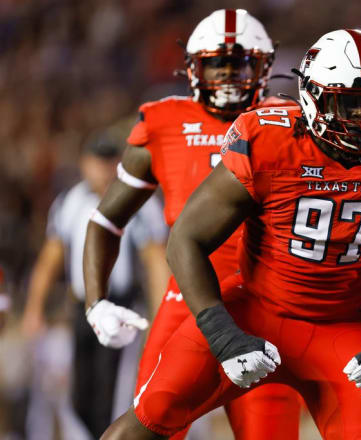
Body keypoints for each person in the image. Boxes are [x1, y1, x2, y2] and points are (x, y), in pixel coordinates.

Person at [101, 28, 361, 439]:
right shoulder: (267, 140)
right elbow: (186, 240)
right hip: (253, 313)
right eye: (349, 103)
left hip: (344, 329)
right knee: (147, 422)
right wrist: (222, 334)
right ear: (313, 97)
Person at [83, 9, 302, 440]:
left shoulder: (292, 123)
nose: (227, 75)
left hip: (265, 308)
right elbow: (107, 220)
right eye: (216, 64)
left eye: (239, 64)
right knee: (144, 432)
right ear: (192, 68)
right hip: (185, 301)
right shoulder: (163, 122)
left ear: (263, 66)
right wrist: (96, 302)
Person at [20, 131, 169, 439]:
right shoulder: (70, 201)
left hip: (123, 307)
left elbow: (155, 261)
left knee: (115, 392)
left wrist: (162, 316)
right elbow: (51, 257)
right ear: (84, 163)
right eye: (97, 162)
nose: (102, 170)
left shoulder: (138, 202)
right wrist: (34, 308)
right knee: (79, 392)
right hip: (82, 308)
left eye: (109, 162)